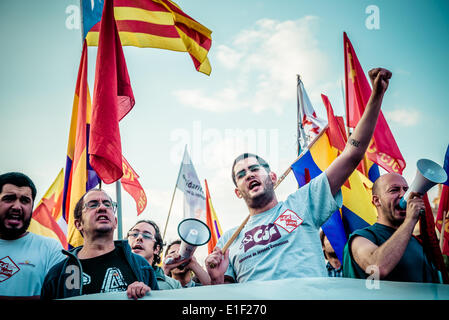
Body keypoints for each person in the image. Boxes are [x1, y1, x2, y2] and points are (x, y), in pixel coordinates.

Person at [205, 68, 393, 284]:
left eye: (254, 169)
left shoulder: (302, 204)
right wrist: (217, 278)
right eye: (241, 174)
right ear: (238, 192)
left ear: (273, 177)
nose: (248, 175)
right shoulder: (229, 240)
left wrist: (376, 95)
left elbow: (352, 155)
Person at [40, 188, 159, 299]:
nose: (102, 207)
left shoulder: (141, 266)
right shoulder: (57, 274)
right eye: (93, 204)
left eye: (108, 204)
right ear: (78, 224)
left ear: (115, 222)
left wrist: (147, 295)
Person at [342, 173, 441, 283]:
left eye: (406, 190)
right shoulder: (361, 238)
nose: (404, 195)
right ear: (376, 200)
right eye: (394, 190)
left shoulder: (417, 242)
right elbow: (376, 268)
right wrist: (410, 220)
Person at [0, 172, 65, 299]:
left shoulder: (51, 249)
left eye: (25, 201)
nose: (17, 207)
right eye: (9, 198)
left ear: (32, 207)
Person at [127, 219, 182, 290]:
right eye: (134, 234)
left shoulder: (173, 286)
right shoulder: (112, 276)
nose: (139, 238)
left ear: (156, 249)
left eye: (146, 235)